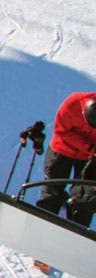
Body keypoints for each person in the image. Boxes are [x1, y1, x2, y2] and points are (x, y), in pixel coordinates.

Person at [38, 91, 96, 228]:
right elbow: (61, 131)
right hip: (62, 149)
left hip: (87, 157)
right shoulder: (71, 104)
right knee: (53, 189)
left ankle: (77, 228)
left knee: (85, 196)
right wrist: (89, 147)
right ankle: (42, 224)